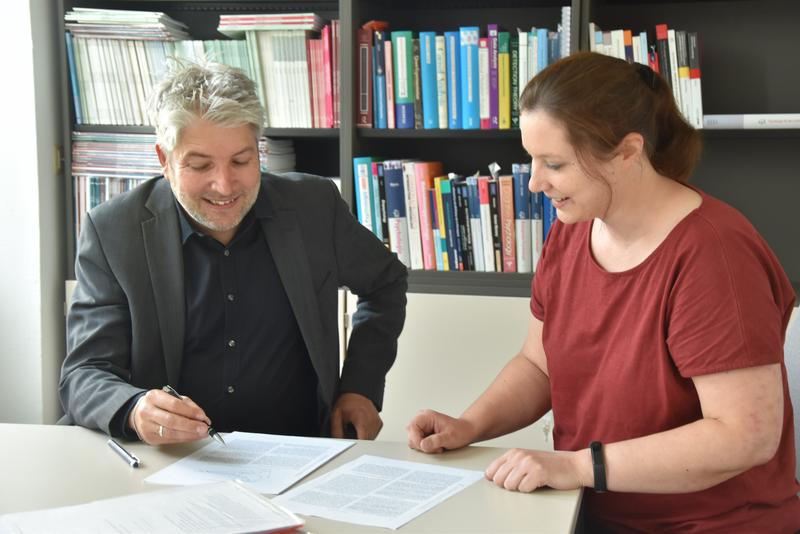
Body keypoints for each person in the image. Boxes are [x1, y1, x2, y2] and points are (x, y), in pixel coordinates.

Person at [407, 52, 799, 532]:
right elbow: (539, 365)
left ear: (628, 151)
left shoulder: (714, 255)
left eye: (554, 163)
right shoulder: (572, 229)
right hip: (586, 511)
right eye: (532, 159)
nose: (534, 182)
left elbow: (745, 436)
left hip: (710, 524)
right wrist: (469, 426)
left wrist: (577, 466)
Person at [60, 61, 407, 445]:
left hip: (297, 451)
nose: (224, 185)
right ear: (165, 160)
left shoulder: (313, 207)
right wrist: (134, 408)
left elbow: (385, 283)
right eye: (200, 164)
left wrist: (359, 386)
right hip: (172, 459)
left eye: (241, 161)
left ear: (258, 151)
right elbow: (84, 373)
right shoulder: (113, 230)